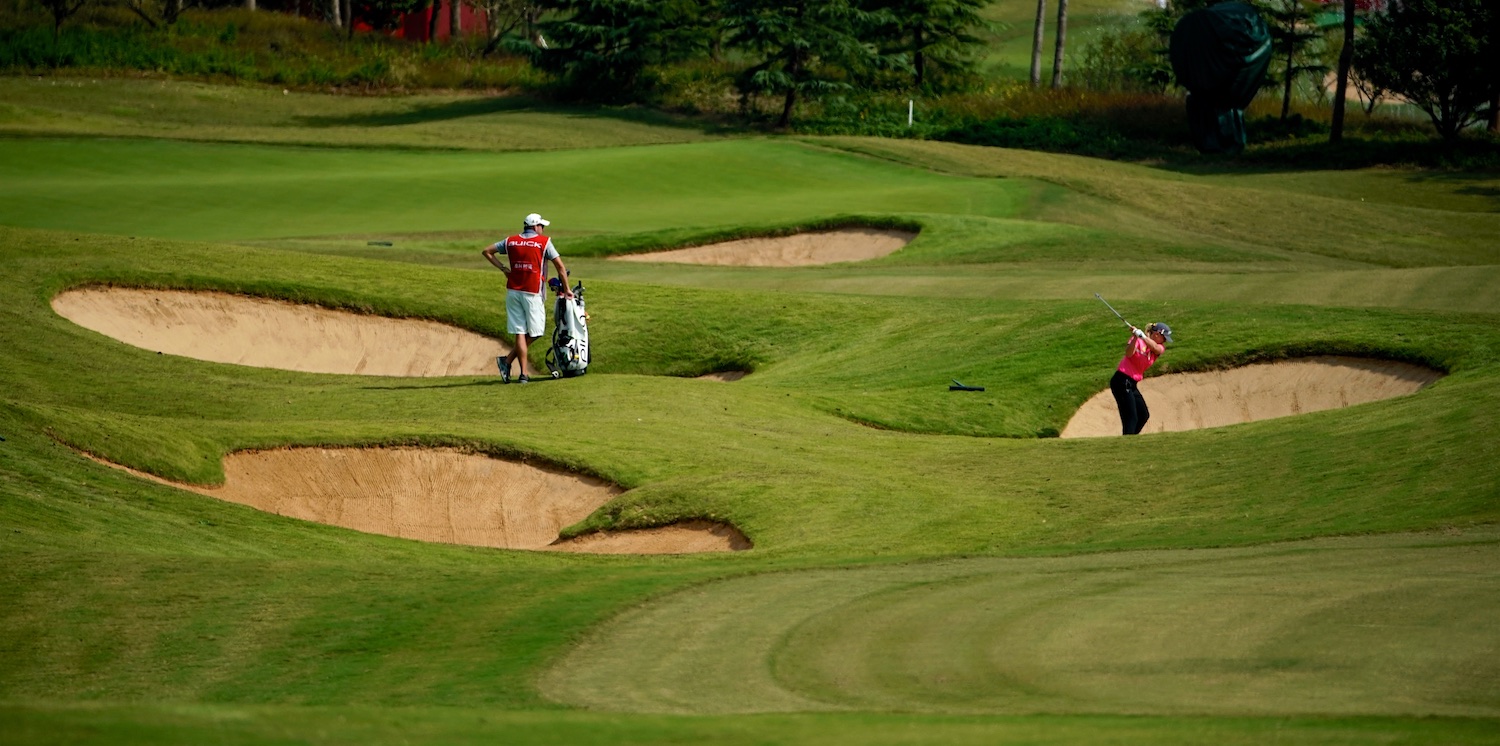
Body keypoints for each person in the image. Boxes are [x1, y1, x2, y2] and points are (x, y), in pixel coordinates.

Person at [483, 212, 572, 384]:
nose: (543, 229)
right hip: (532, 292)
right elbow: (560, 267)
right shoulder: (544, 242)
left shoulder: (511, 241)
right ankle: (511, 364)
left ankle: (520, 372)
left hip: (513, 292)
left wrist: (503, 269)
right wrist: (567, 289)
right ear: (535, 226)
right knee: (536, 332)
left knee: (520, 332)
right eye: (542, 226)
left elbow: (487, 252)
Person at [1110, 321, 1173, 435]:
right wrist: (1135, 337)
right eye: (1164, 338)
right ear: (1157, 334)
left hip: (1132, 383)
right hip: (1121, 380)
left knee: (1143, 415)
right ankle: (1127, 443)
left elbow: (1155, 348)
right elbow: (1129, 354)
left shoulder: (1159, 348)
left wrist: (1142, 336)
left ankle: (1130, 439)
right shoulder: (1138, 340)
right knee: (1131, 417)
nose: (1164, 342)